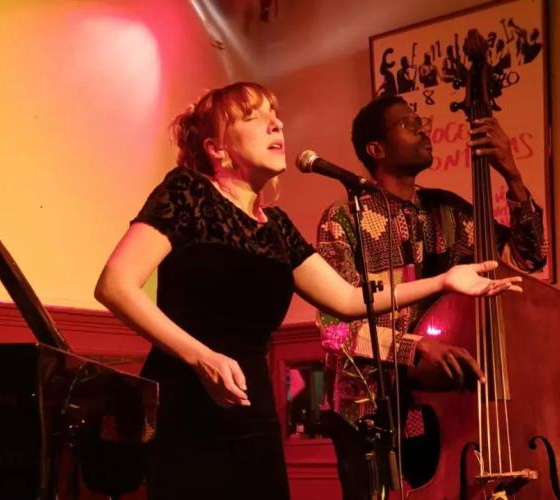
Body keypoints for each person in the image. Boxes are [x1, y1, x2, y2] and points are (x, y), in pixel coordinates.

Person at [94, 82, 523, 500]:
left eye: (276, 117)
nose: (276, 125)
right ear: (217, 149)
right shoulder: (187, 192)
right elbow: (115, 285)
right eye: (254, 117)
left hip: (252, 405)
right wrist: (200, 357)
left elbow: (348, 299)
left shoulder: (277, 226)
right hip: (187, 399)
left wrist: (445, 280)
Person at [316, 94, 547, 499]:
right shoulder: (344, 218)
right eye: (409, 124)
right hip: (368, 412)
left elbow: (530, 258)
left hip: (442, 409)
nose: (424, 130)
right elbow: (335, 331)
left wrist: (511, 174)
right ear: (376, 149)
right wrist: (415, 347)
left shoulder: (451, 212)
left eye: (421, 121)